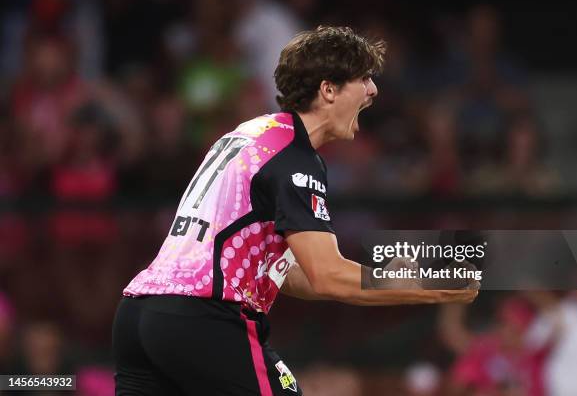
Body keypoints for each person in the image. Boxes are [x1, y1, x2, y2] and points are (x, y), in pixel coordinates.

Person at [112, 26, 479, 396]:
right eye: (363, 78)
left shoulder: (251, 133)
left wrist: (385, 276)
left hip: (139, 316)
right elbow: (328, 275)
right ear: (328, 90)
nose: (373, 90)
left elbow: (284, 273)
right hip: (204, 319)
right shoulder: (294, 158)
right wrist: (430, 285)